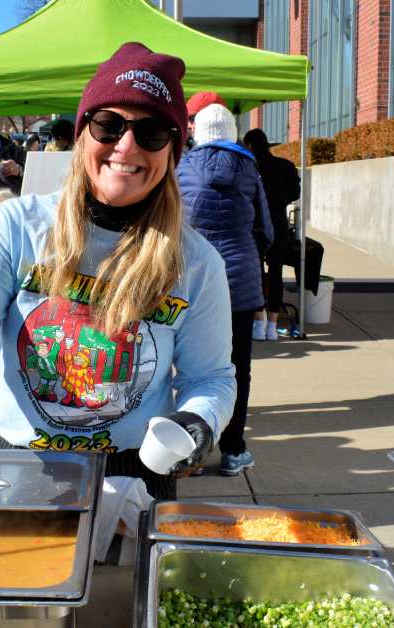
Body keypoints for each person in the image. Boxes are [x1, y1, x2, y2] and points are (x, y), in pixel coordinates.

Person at [0, 42, 236, 500]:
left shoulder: (197, 262)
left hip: (137, 471)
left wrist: (199, 421)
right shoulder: (17, 227)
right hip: (22, 461)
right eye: (109, 124)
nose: (126, 145)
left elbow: (209, 378)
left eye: (150, 133)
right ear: (84, 134)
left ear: (172, 151)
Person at [177, 103, 272, 477]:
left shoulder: (182, 168)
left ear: (196, 131)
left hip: (191, 282)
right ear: (232, 132)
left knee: (187, 368)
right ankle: (233, 449)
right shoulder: (249, 169)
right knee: (237, 370)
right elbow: (267, 228)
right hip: (240, 281)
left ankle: (192, 450)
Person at [243, 128, 300, 341]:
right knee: (276, 273)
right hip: (279, 224)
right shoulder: (286, 166)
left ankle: (259, 323)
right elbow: (295, 193)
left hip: (255, 225)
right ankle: (273, 325)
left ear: (249, 145)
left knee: (256, 273)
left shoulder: (249, 168)